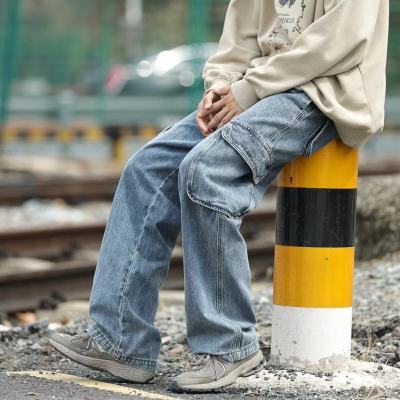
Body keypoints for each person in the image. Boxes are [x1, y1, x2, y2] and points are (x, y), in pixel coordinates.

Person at [49, 0, 389, 393]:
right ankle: (119, 340)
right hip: (259, 92)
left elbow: (340, 41)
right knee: (149, 168)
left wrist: (249, 89)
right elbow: (236, 42)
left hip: (324, 93)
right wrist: (220, 86)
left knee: (207, 171)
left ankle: (230, 344)